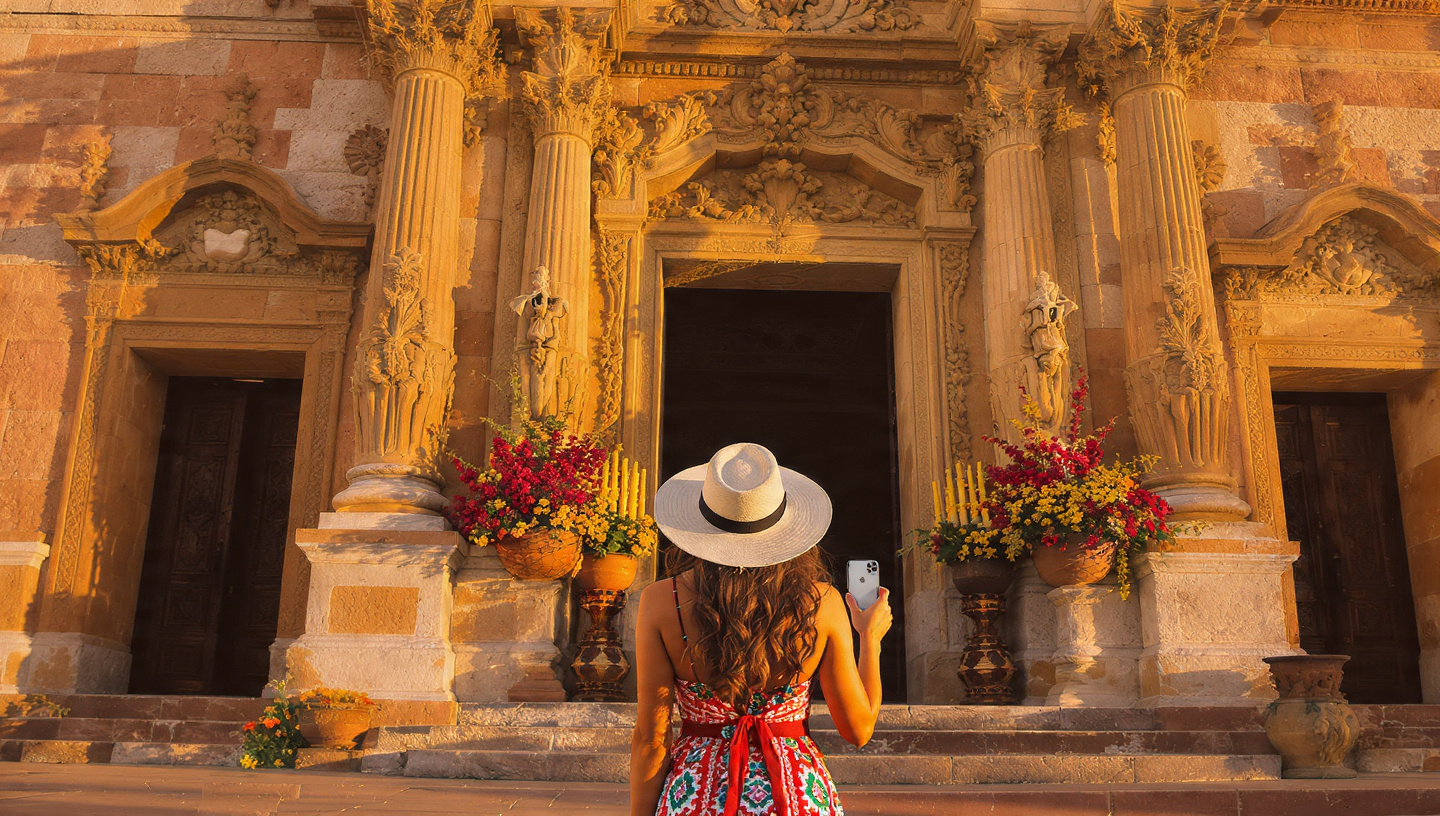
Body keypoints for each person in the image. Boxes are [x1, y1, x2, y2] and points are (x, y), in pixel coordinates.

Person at [630, 443, 893, 816]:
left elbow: (651, 739)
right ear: (788, 529)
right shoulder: (823, 602)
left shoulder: (662, 601)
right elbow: (858, 730)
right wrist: (870, 638)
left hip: (696, 796)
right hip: (795, 794)